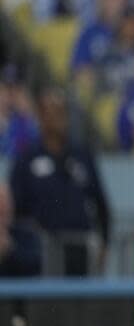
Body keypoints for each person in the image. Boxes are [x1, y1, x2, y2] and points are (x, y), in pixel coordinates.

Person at [8, 87, 110, 276]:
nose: (59, 118)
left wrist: (105, 242)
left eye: (62, 112)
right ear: (41, 116)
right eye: (53, 111)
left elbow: (101, 203)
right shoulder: (27, 158)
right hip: (42, 252)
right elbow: (15, 210)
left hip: (81, 249)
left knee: (82, 301)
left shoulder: (81, 155)